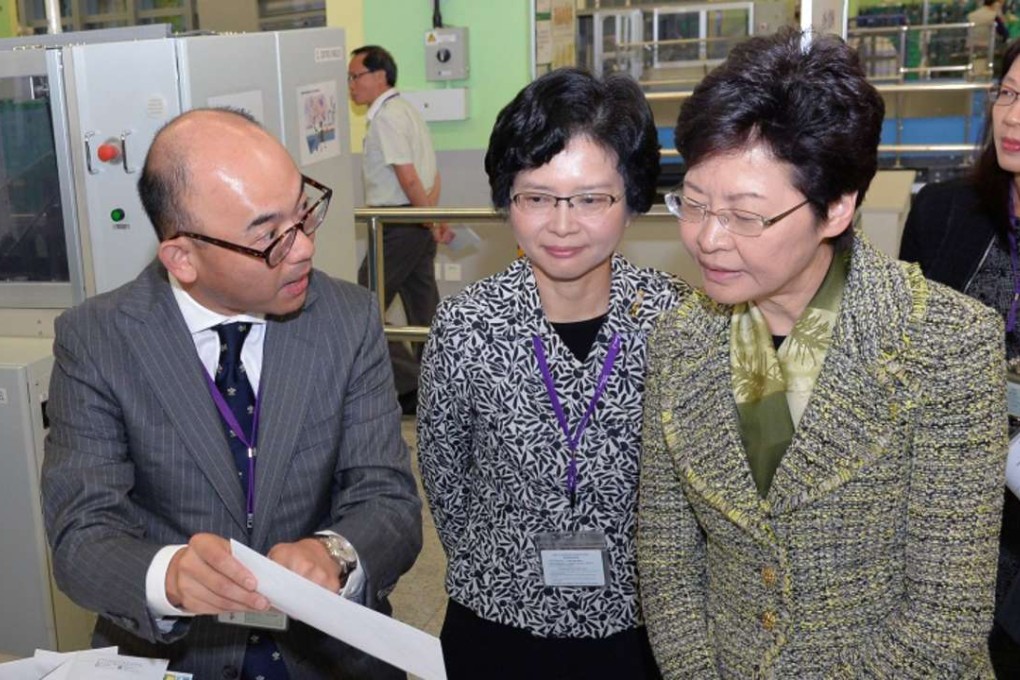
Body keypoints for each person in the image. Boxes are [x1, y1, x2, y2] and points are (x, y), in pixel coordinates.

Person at [638, 29, 1006, 678]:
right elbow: (668, 562)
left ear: (836, 208)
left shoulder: (947, 345)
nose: (707, 239)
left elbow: (945, 620)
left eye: (745, 215)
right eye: (692, 205)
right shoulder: (679, 342)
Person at [41, 108, 422, 680]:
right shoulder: (97, 339)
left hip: (332, 660)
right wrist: (169, 576)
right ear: (183, 258)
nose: (302, 250)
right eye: (268, 236)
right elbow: (81, 536)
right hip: (177, 660)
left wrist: (334, 554)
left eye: (304, 212)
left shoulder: (346, 317)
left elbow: (387, 499)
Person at [416, 67, 688, 680]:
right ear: (506, 200)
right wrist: (500, 561)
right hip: (497, 620)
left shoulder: (676, 322)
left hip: (641, 627)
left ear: (634, 200)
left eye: (592, 199)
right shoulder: (467, 325)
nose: (562, 225)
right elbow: (445, 480)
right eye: (536, 197)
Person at [900, 37, 1020, 678]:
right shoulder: (944, 212)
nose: (1012, 116)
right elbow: (899, 354)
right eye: (1007, 93)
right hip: (944, 506)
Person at [348, 44, 450, 415]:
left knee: (362, 306)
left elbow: (408, 176)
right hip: (415, 221)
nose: (351, 85)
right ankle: (441, 386)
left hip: (399, 224)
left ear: (379, 76)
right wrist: (431, 217)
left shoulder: (388, 117)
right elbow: (432, 173)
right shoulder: (407, 110)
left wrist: (426, 218)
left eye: (355, 76)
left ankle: (411, 386)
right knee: (425, 309)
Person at [971, 0, 1009, 77]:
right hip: (987, 47)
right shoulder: (993, 15)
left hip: (972, 46)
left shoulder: (972, 15)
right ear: (995, 4)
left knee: (975, 70)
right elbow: (1004, 33)